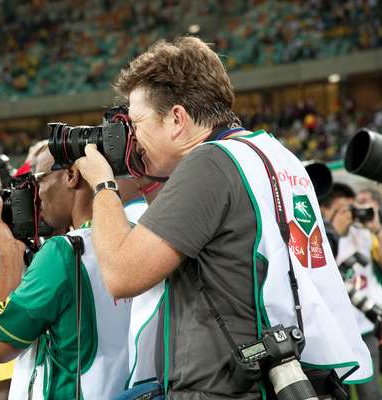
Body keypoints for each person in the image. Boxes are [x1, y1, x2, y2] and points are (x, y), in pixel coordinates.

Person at [74, 36, 371, 398]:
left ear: (177, 119)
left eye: (136, 123)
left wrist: (103, 186)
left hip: (225, 385)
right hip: (285, 372)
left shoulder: (210, 163)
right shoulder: (271, 152)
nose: (132, 139)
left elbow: (123, 274)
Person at [0, 146, 132, 399]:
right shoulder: (136, 236)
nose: (37, 197)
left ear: (72, 176)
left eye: (39, 181)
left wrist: (9, 252)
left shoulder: (63, 253)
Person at [337, 187, 382, 399]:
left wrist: (376, 229)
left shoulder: (364, 234)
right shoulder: (328, 238)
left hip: (366, 326)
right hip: (339, 330)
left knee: (370, 393)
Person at [320, 183, 357, 258]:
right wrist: (333, 232)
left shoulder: (355, 236)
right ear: (324, 209)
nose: (349, 216)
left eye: (351, 210)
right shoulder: (315, 238)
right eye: (344, 211)